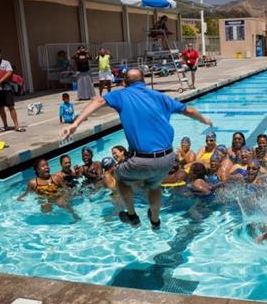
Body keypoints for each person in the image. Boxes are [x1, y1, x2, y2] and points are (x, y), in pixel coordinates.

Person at [59, 68, 213, 230]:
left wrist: (75, 124)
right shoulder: (160, 97)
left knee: (121, 178)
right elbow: (188, 110)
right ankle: (155, 220)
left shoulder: (122, 95)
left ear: (124, 82)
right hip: (167, 158)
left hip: (141, 159)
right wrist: (205, 120)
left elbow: (98, 101)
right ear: (144, 82)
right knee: (154, 185)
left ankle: (132, 215)